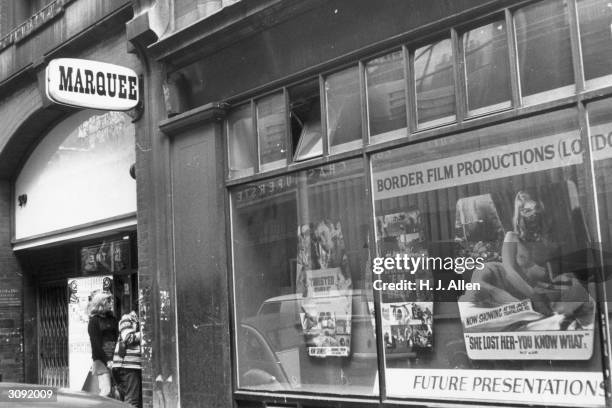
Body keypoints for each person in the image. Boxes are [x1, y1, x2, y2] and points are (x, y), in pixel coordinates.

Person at [461, 190, 594, 330]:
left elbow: (549, 276)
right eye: (527, 210)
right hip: (499, 278)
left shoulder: (545, 243)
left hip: (529, 293)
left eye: (536, 208)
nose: (534, 213)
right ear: (520, 214)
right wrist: (534, 296)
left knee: (575, 290)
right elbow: (510, 271)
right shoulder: (511, 237)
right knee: (480, 290)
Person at [87, 292, 118, 397]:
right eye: (108, 301)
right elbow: (95, 344)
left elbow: (117, 337)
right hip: (101, 360)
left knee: (115, 392)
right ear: (101, 303)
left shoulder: (112, 318)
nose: (111, 303)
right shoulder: (94, 321)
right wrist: (107, 360)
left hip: (115, 357)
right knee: (106, 390)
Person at [113, 311, 143, 408]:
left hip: (129, 366)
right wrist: (144, 334)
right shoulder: (127, 318)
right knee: (131, 401)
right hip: (127, 366)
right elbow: (127, 337)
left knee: (129, 399)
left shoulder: (136, 321)